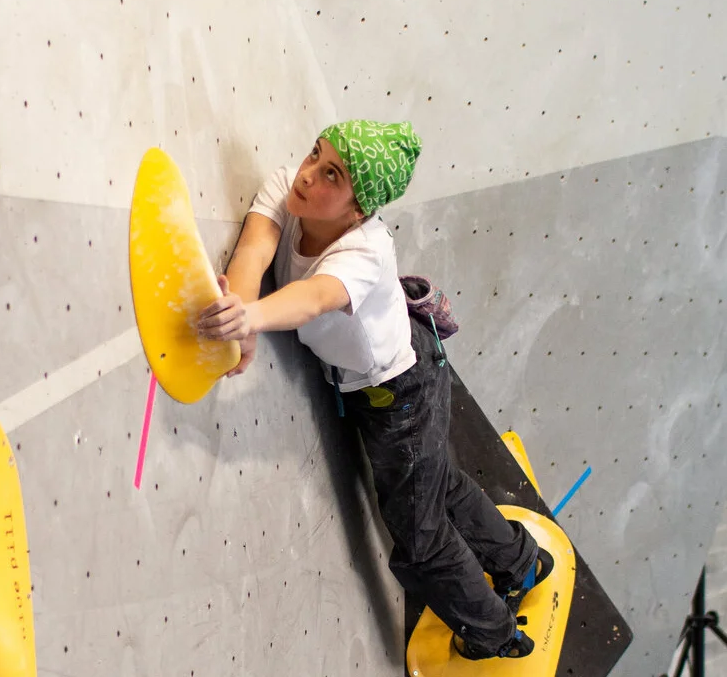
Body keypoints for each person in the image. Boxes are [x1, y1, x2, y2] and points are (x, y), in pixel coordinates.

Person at [196, 119, 554, 660]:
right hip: (401, 375)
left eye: (332, 175)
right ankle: (522, 564)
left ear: (358, 209)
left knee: (421, 537)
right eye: (316, 154)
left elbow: (314, 298)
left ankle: (495, 634)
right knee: (440, 484)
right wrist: (243, 321)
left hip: (399, 399)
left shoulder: (364, 254)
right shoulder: (290, 187)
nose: (309, 175)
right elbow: (255, 250)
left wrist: (252, 318)